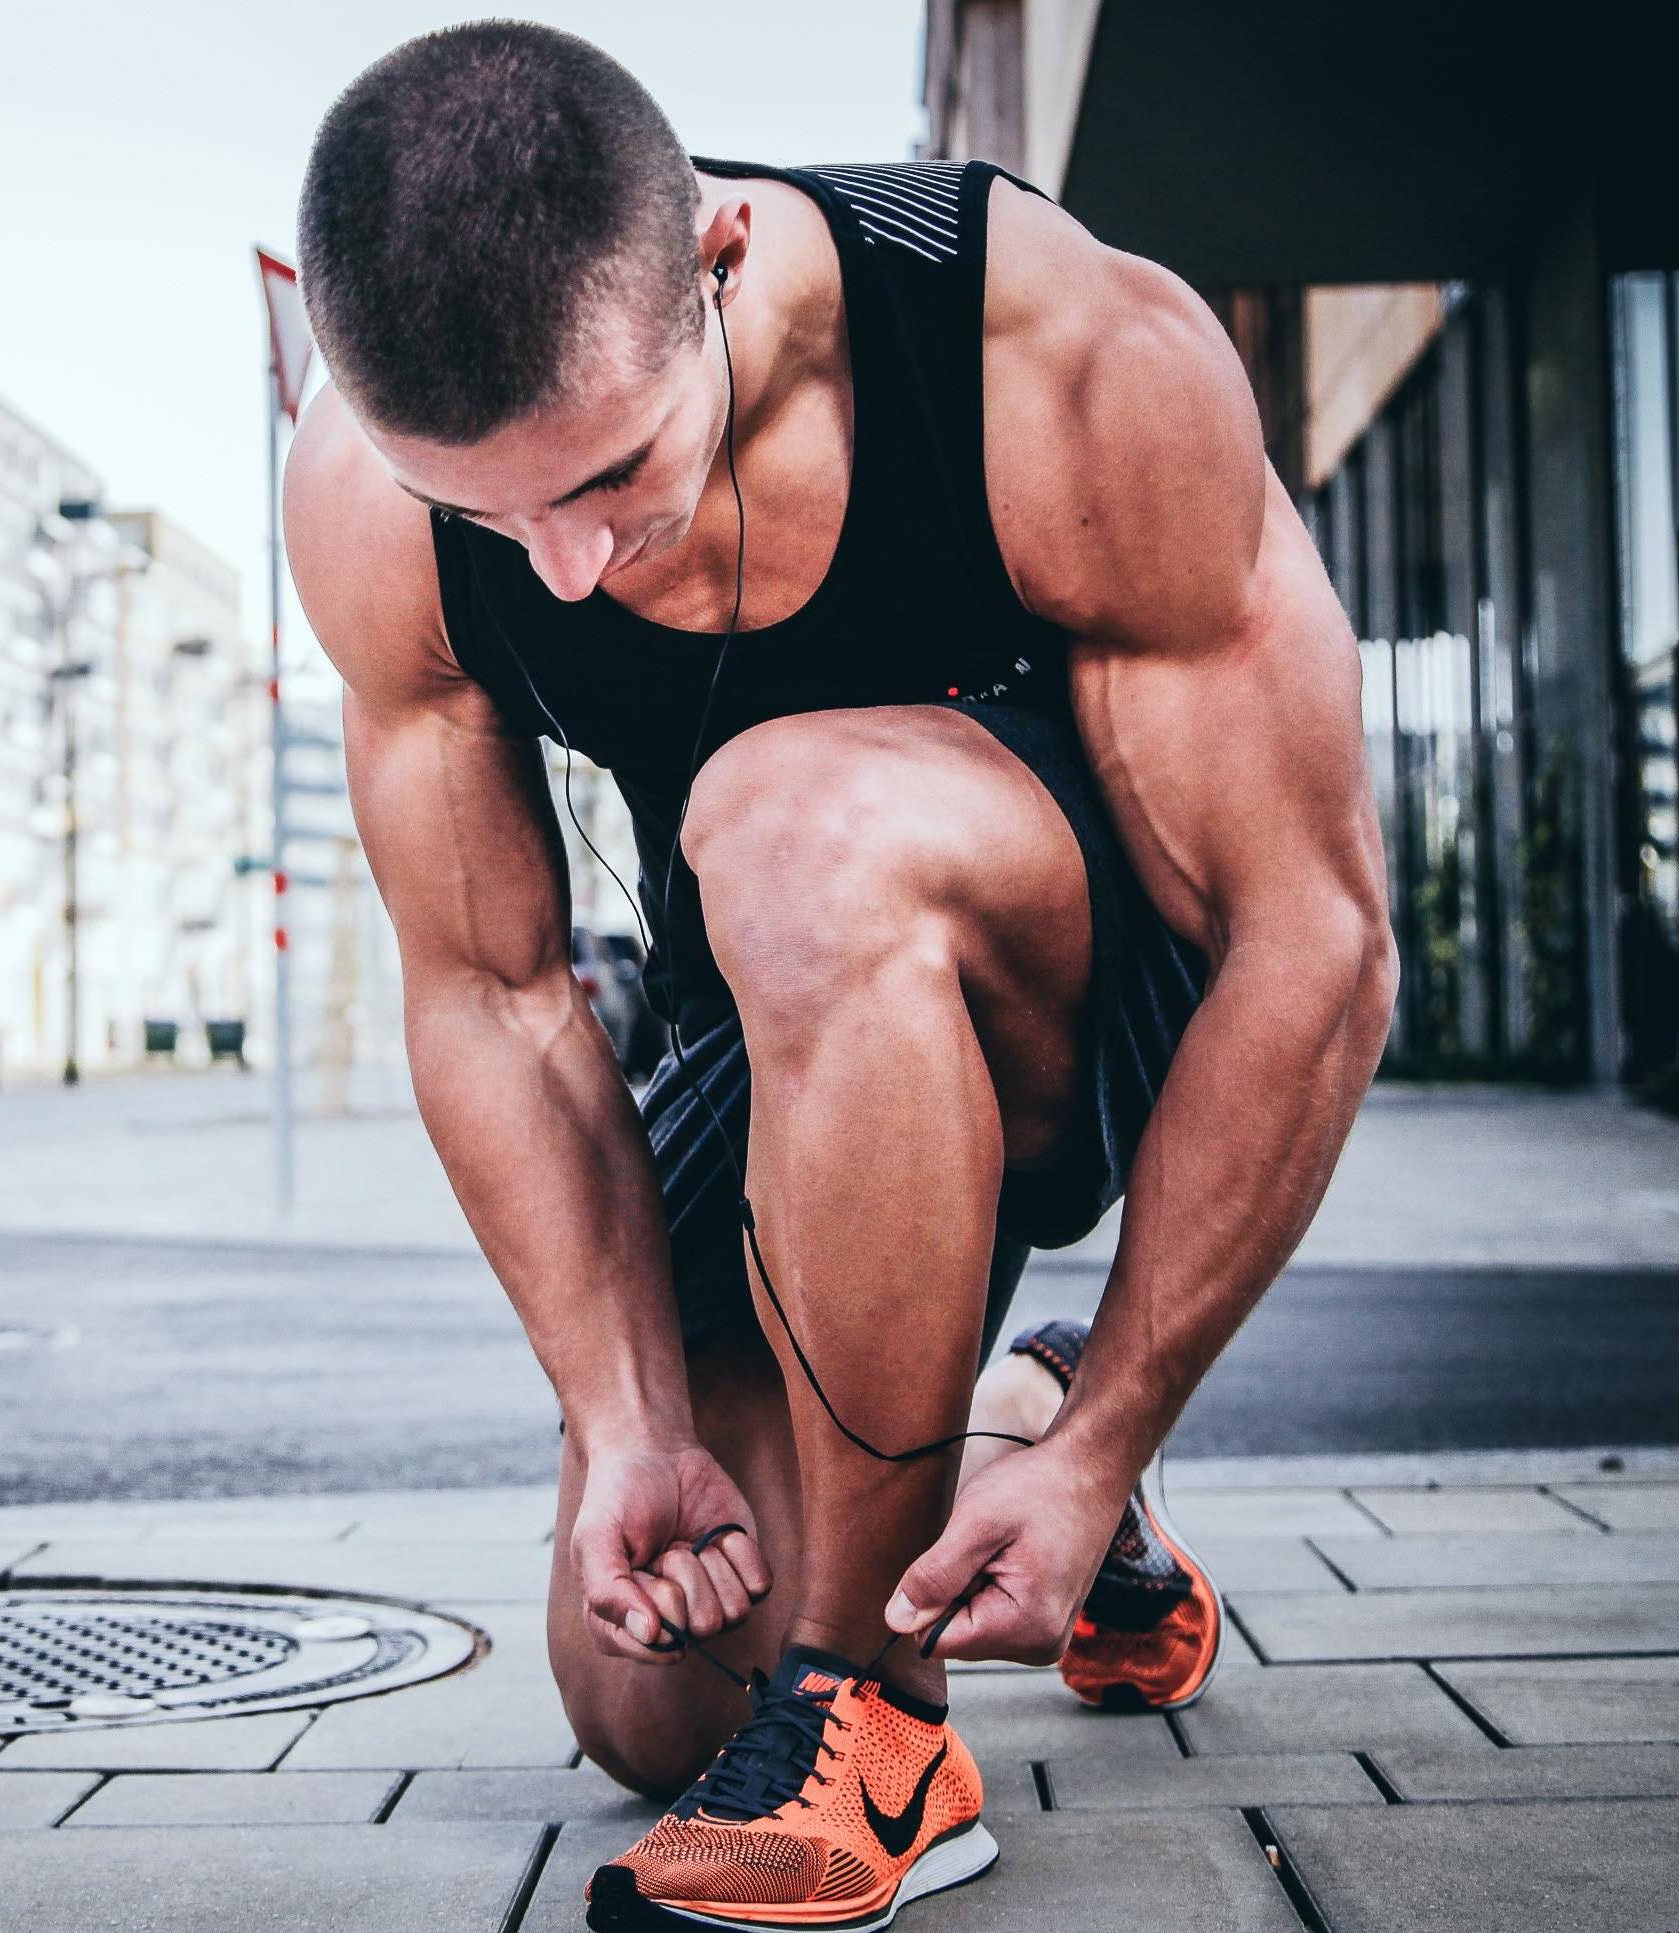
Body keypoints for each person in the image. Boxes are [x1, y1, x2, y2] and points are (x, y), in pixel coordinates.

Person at [285, 22, 1395, 1931]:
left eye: (613, 474)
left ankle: (878, 1728)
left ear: (718, 259)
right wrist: (626, 1417)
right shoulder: (374, 492)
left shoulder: (1046, 350)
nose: (558, 569)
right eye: (493, 516)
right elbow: (494, 993)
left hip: (1083, 986)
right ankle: (1007, 1444)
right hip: (777, 1008)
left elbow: (1318, 939)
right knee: (647, 1689)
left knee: (789, 818)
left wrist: (1142, 1398)